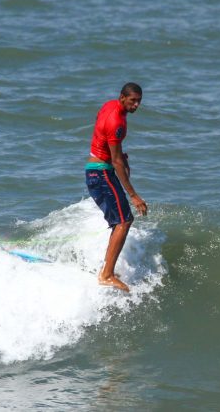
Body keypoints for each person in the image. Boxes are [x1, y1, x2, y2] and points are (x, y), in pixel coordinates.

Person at [85, 82, 148, 292]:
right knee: (124, 221)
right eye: (132, 101)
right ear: (122, 97)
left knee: (119, 221)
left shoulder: (109, 105)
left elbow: (103, 137)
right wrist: (134, 195)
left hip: (96, 170)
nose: (136, 105)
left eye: (139, 100)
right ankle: (107, 275)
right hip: (101, 173)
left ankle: (107, 268)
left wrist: (119, 155)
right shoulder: (117, 122)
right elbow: (116, 162)